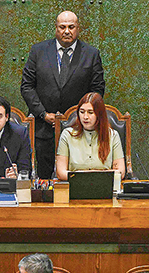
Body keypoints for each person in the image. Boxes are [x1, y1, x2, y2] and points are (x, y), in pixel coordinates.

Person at [21, 10, 105, 179]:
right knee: (45, 181)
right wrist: (43, 114)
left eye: (71, 27)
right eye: (62, 27)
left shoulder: (91, 54)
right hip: (44, 128)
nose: (67, 31)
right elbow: (27, 86)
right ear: (56, 28)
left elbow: (97, 91)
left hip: (78, 129)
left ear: (78, 28)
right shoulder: (38, 51)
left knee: (74, 179)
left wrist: (76, 116)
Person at [55, 92, 125, 181]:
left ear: (99, 115)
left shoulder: (113, 135)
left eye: (90, 112)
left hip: (104, 187)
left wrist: (83, 177)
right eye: (82, 112)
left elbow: (120, 172)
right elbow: (60, 172)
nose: (85, 117)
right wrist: (92, 177)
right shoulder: (67, 134)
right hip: (75, 187)